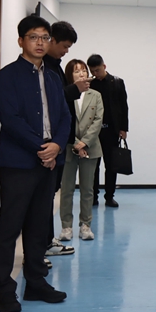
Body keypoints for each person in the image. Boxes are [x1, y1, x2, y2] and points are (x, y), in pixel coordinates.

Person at [0, 15, 71, 312]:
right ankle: (4, 289)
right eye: (34, 37)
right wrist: (43, 149)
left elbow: (64, 117)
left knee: (39, 227)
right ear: (21, 41)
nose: (40, 42)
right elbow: (10, 120)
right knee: (10, 226)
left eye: (45, 37)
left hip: (47, 163)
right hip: (18, 164)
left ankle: (36, 283)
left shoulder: (53, 77)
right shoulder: (7, 76)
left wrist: (57, 146)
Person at [43, 21, 82, 259]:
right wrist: (75, 89)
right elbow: (52, 101)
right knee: (43, 199)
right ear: (53, 40)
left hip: (59, 144)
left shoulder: (54, 67)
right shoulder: (43, 68)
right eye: (64, 46)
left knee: (49, 195)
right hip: (48, 146)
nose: (66, 51)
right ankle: (41, 246)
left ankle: (46, 241)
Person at [59, 59, 103, 241]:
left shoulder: (96, 95)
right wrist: (76, 143)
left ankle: (86, 225)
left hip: (90, 148)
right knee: (67, 189)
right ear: (70, 75)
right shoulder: (65, 94)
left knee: (87, 190)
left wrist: (84, 143)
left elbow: (98, 121)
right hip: (69, 147)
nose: (82, 74)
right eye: (77, 71)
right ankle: (66, 226)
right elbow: (62, 120)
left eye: (84, 70)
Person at [87, 54, 129, 208]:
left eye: (97, 70)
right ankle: (93, 196)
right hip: (93, 131)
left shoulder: (117, 82)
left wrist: (123, 128)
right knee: (93, 166)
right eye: (92, 71)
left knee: (111, 166)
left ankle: (109, 196)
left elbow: (123, 106)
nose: (95, 74)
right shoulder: (90, 84)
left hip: (112, 130)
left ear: (104, 67)